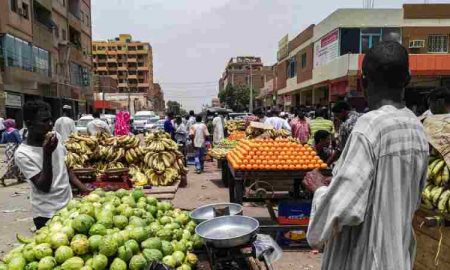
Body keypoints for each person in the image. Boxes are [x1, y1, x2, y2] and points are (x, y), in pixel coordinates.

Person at [303, 41, 428, 270]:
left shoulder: (369, 127)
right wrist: (340, 182)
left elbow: (343, 210)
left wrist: (320, 189)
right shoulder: (416, 127)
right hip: (397, 257)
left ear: (363, 82)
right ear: (408, 79)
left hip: (365, 261)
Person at [15, 101, 90, 229]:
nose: (50, 124)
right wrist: (47, 154)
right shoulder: (23, 154)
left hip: (68, 207)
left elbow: (65, 167)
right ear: (29, 123)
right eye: (44, 121)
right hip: (46, 214)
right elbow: (44, 186)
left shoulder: (56, 137)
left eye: (51, 120)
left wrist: (85, 190)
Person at [0, 119, 23, 186]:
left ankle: (19, 178)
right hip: (14, 147)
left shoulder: (4, 132)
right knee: (16, 163)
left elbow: (2, 141)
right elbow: (19, 140)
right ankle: (5, 176)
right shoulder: (15, 131)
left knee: (11, 163)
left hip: (8, 148)